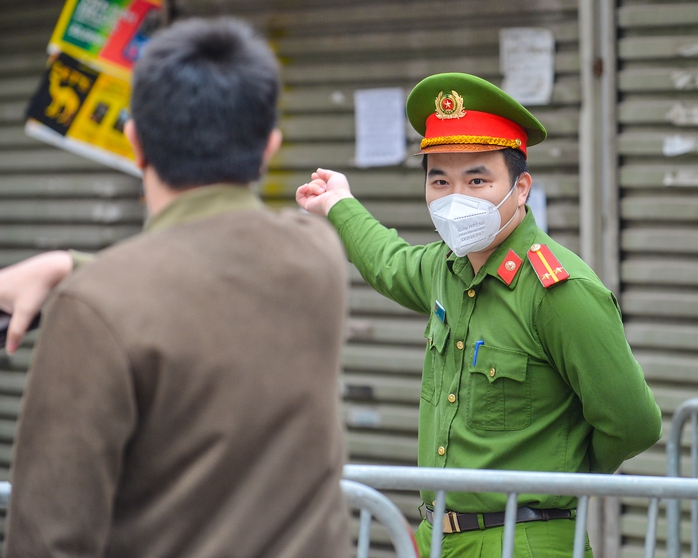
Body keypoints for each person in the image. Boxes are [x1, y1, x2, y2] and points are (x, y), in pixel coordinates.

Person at [3, 17, 350, 558]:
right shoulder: (317, 256)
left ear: (135, 140)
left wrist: (73, 269)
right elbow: (208, 274)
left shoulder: (96, 308)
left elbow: (47, 540)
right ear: (269, 147)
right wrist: (74, 266)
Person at [295, 73, 662, 558]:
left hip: (526, 538)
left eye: (477, 179)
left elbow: (634, 421)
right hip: (437, 537)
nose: (455, 199)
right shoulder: (446, 270)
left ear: (521, 187)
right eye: (439, 180)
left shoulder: (559, 291)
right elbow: (388, 260)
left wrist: (560, 471)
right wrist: (339, 204)